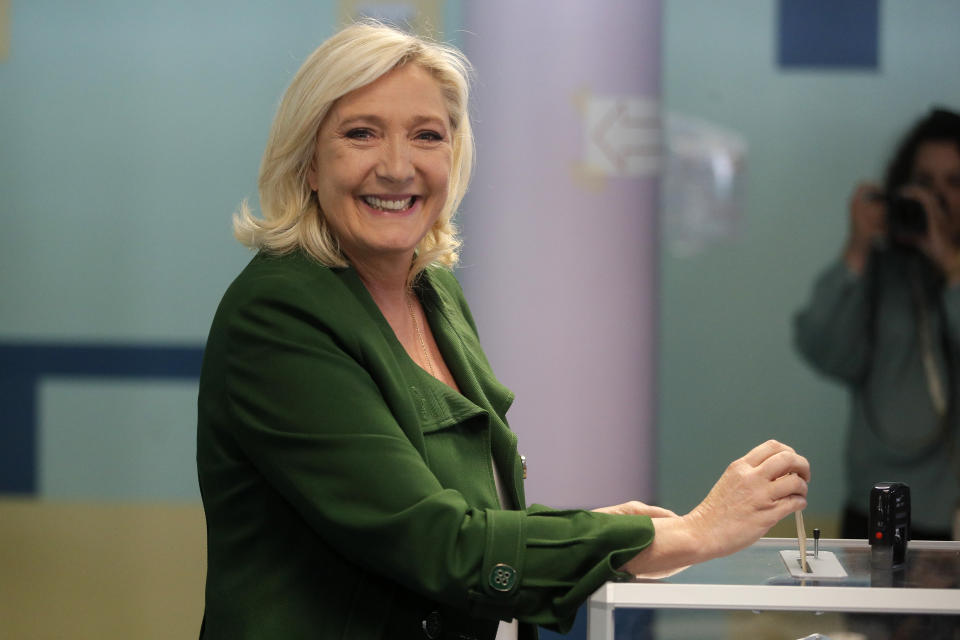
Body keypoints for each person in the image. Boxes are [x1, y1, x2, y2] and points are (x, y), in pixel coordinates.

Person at [197, 21, 810, 640]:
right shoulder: (278, 315)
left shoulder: (432, 290)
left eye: (427, 136)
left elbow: (475, 514)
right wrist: (685, 534)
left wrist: (596, 532)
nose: (397, 166)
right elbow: (437, 543)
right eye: (361, 134)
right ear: (308, 162)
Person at [794, 107, 960, 541]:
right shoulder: (884, 273)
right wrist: (857, 251)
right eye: (924, 183)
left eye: (954, 183)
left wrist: (950, 267)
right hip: (881, 509)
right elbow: (824, 350)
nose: (938, 198)